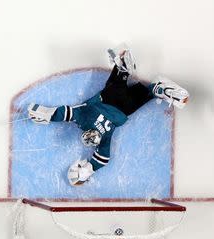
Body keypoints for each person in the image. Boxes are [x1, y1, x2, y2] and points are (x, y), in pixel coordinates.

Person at [27, 44, 189, 186]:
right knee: (118, 84)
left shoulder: (101, 135)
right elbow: (65, 113)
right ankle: (129, 72)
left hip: (124, 109)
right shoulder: (83, 119)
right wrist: (46, 114)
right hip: (111, 99)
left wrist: (88, 170)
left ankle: (155, 88)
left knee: (139, 92)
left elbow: (103, 158)